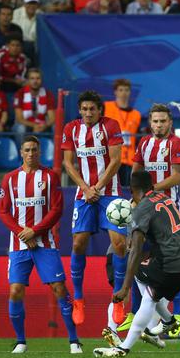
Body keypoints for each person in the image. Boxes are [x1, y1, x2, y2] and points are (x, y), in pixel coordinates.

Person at [93, 171, 180, 358]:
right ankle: (168, 320)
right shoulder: (163, 198)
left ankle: (124, 347)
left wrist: (125, 288)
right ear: (152, 185)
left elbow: (135, 251)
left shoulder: (142, 208)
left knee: (140, 278)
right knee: (151, 289)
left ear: (132, 189)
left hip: (172, 266)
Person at [0, 136, 82, 354]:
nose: (31, 153)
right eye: (27, 150)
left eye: (35, 150)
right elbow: (4, 211)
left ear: (39, 151)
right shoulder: (9, 179)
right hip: (18, 246)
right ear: (21, 152)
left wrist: (35, 231)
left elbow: (57, 209)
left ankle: (74, 341)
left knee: (59, 289)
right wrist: (21, 233)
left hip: (45, 243)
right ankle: (20, 341)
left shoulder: (50, 176)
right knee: (15, 291)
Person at [61, 90, 127, 343]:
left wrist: (97, 187)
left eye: (92, 109)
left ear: (100, 110)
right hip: (84, 194)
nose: (88, 113)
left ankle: (118, 298)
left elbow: (116, 160)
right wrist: (86, 188)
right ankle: (78, 297)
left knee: (119, 243)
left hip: (109, 193)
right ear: (80, 110)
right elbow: (68, 163)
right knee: (78, 242)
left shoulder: (111, 125)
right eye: (84, 109)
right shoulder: (71, 128)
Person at [127, 103, 180, 336]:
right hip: (144, 212)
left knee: (173, 264)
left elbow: (178, 177)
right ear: (150, 122)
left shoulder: (176, 143)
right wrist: (136, 198)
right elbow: (135, 173)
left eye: (163, 121)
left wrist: (150, 190)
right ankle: (134, 314)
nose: (159, 125)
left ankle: (177, 317)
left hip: (168, 213)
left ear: (170, 123)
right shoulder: (144, 143)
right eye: (155, 121)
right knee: (136, 257)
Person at [103, 79, 141, 187]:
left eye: (126, 90)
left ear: (130, 92)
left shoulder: (136, 114)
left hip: (129, 160)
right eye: (120, 90)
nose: (123, 93)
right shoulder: (106, 107)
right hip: (110, 158)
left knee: (126, 191)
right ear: (115, 92)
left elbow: (137, 139)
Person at [12, 69, 55, 145]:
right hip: (24, 124)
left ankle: (55, 154)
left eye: (38, 78)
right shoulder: (20, 93)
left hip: (42, 124)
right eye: (32, 78)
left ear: (41, 80)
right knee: (20, 129)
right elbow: (19, 118)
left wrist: (45, 125)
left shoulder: (48, 94)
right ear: (28, 80)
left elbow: (52, 118)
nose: (35, 81)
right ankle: (21, 153)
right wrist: (34, 125)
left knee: (56, 127)